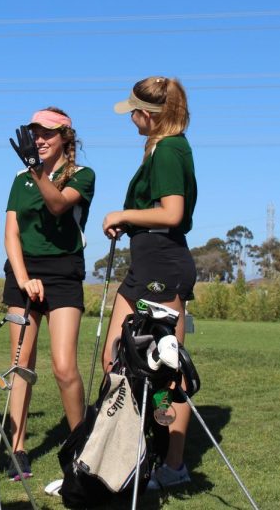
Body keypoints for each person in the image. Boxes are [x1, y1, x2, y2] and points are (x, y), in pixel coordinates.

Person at [101, 76, 197, 488]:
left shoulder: (171, 150)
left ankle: (172, 464)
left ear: (149, 114)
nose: (131, 119)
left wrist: (122, 215)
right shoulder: (157, 150)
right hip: (145, 265)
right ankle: (126, 453)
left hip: (163, 267)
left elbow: (172, 213)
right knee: (115, 360)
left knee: (167, 371)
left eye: (134, 112)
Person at [3, 107, 95, 480]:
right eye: (35, 133)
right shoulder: (19, 179)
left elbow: (58, 205)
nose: (39, 140)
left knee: (63, 367)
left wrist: (38, 171)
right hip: (24, 274)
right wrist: (23, 278)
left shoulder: (83, 176)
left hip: (63, 274)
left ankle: (81, 446)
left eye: (47, 134)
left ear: (65, 140)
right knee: (20, 365)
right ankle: (18, 447)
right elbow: (11, 232)